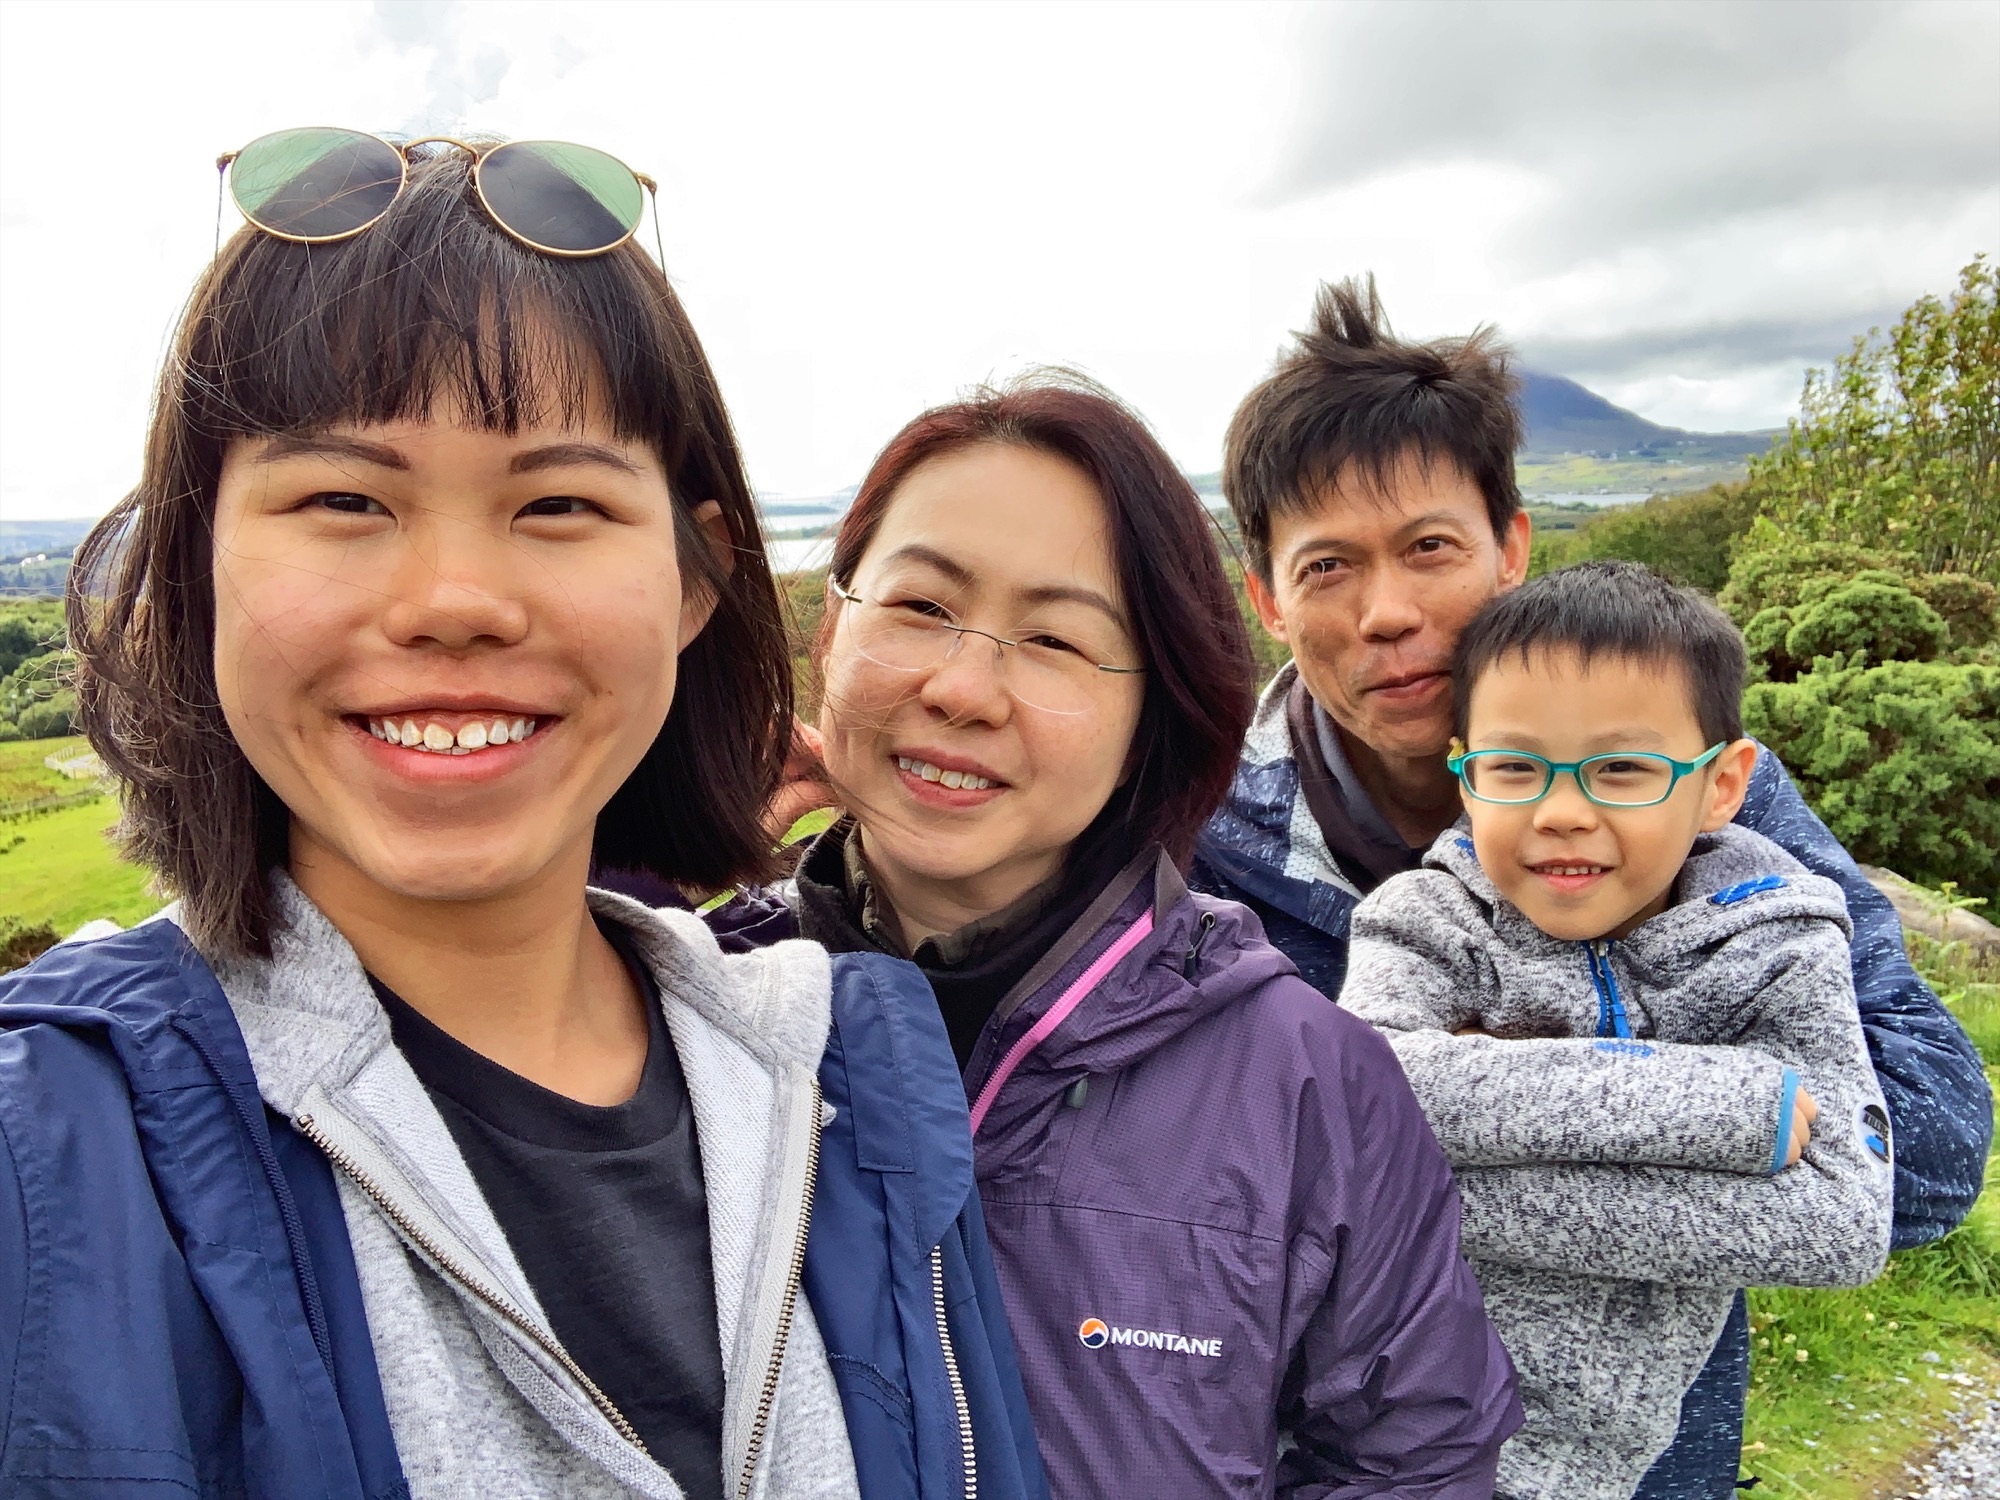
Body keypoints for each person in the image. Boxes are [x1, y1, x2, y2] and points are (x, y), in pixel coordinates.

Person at [0, 130, 1045, 1500]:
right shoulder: (50, 1151)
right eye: (341, 498)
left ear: (692, 582)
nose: (455, 600)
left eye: (558, 501)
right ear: (193, 567)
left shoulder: (851, 1079)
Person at [635, 372, 1522, 1498]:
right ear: (830, 635)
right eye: (917, 607)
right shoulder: (664, 1014)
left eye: (1055, 639)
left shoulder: (1310, 1084)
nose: (963, 688)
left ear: (1154, 712)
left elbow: (1413, 1463)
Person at [1190, 276, 1994, 1495]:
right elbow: (1214, 1192)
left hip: (1647, 1463)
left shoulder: (1699, 793)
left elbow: (1923, 1151)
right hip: (1320, 1454)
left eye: (1428, 548)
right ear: (1265, 597)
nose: (1389, 612)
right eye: (1325, 567)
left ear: (1510, 547)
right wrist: (1733, 1107)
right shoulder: (1205, 839)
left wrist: (1448, 1114)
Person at [1342, 562, 1894, 1497]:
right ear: (1464, 774)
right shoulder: (1424, 920)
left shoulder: (1781, 943)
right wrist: (1728, 1107)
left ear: (1721, 784)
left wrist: (1446, 1170)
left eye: (1624, 769)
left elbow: (1841, 1224)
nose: (1562, 813)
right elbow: (1364, 1107)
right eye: (1514, 767)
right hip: (1375, 1443)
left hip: (1611, 1470)